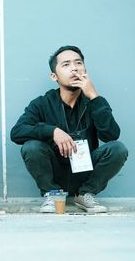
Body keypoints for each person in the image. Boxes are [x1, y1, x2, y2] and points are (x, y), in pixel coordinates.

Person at [10, 45, 128, 213]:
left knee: (118, 149)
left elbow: (111, 135)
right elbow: (17, 132)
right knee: (31, 146)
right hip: (55, 170)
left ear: (85, 69)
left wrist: (94, 97)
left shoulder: (94, 102)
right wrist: (52, 131)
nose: (74, 68)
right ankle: (52, 195)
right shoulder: (43, 103)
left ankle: (85, 195)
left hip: (85, 172)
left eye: (78, 63)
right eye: (66, 65)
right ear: (54, 76)